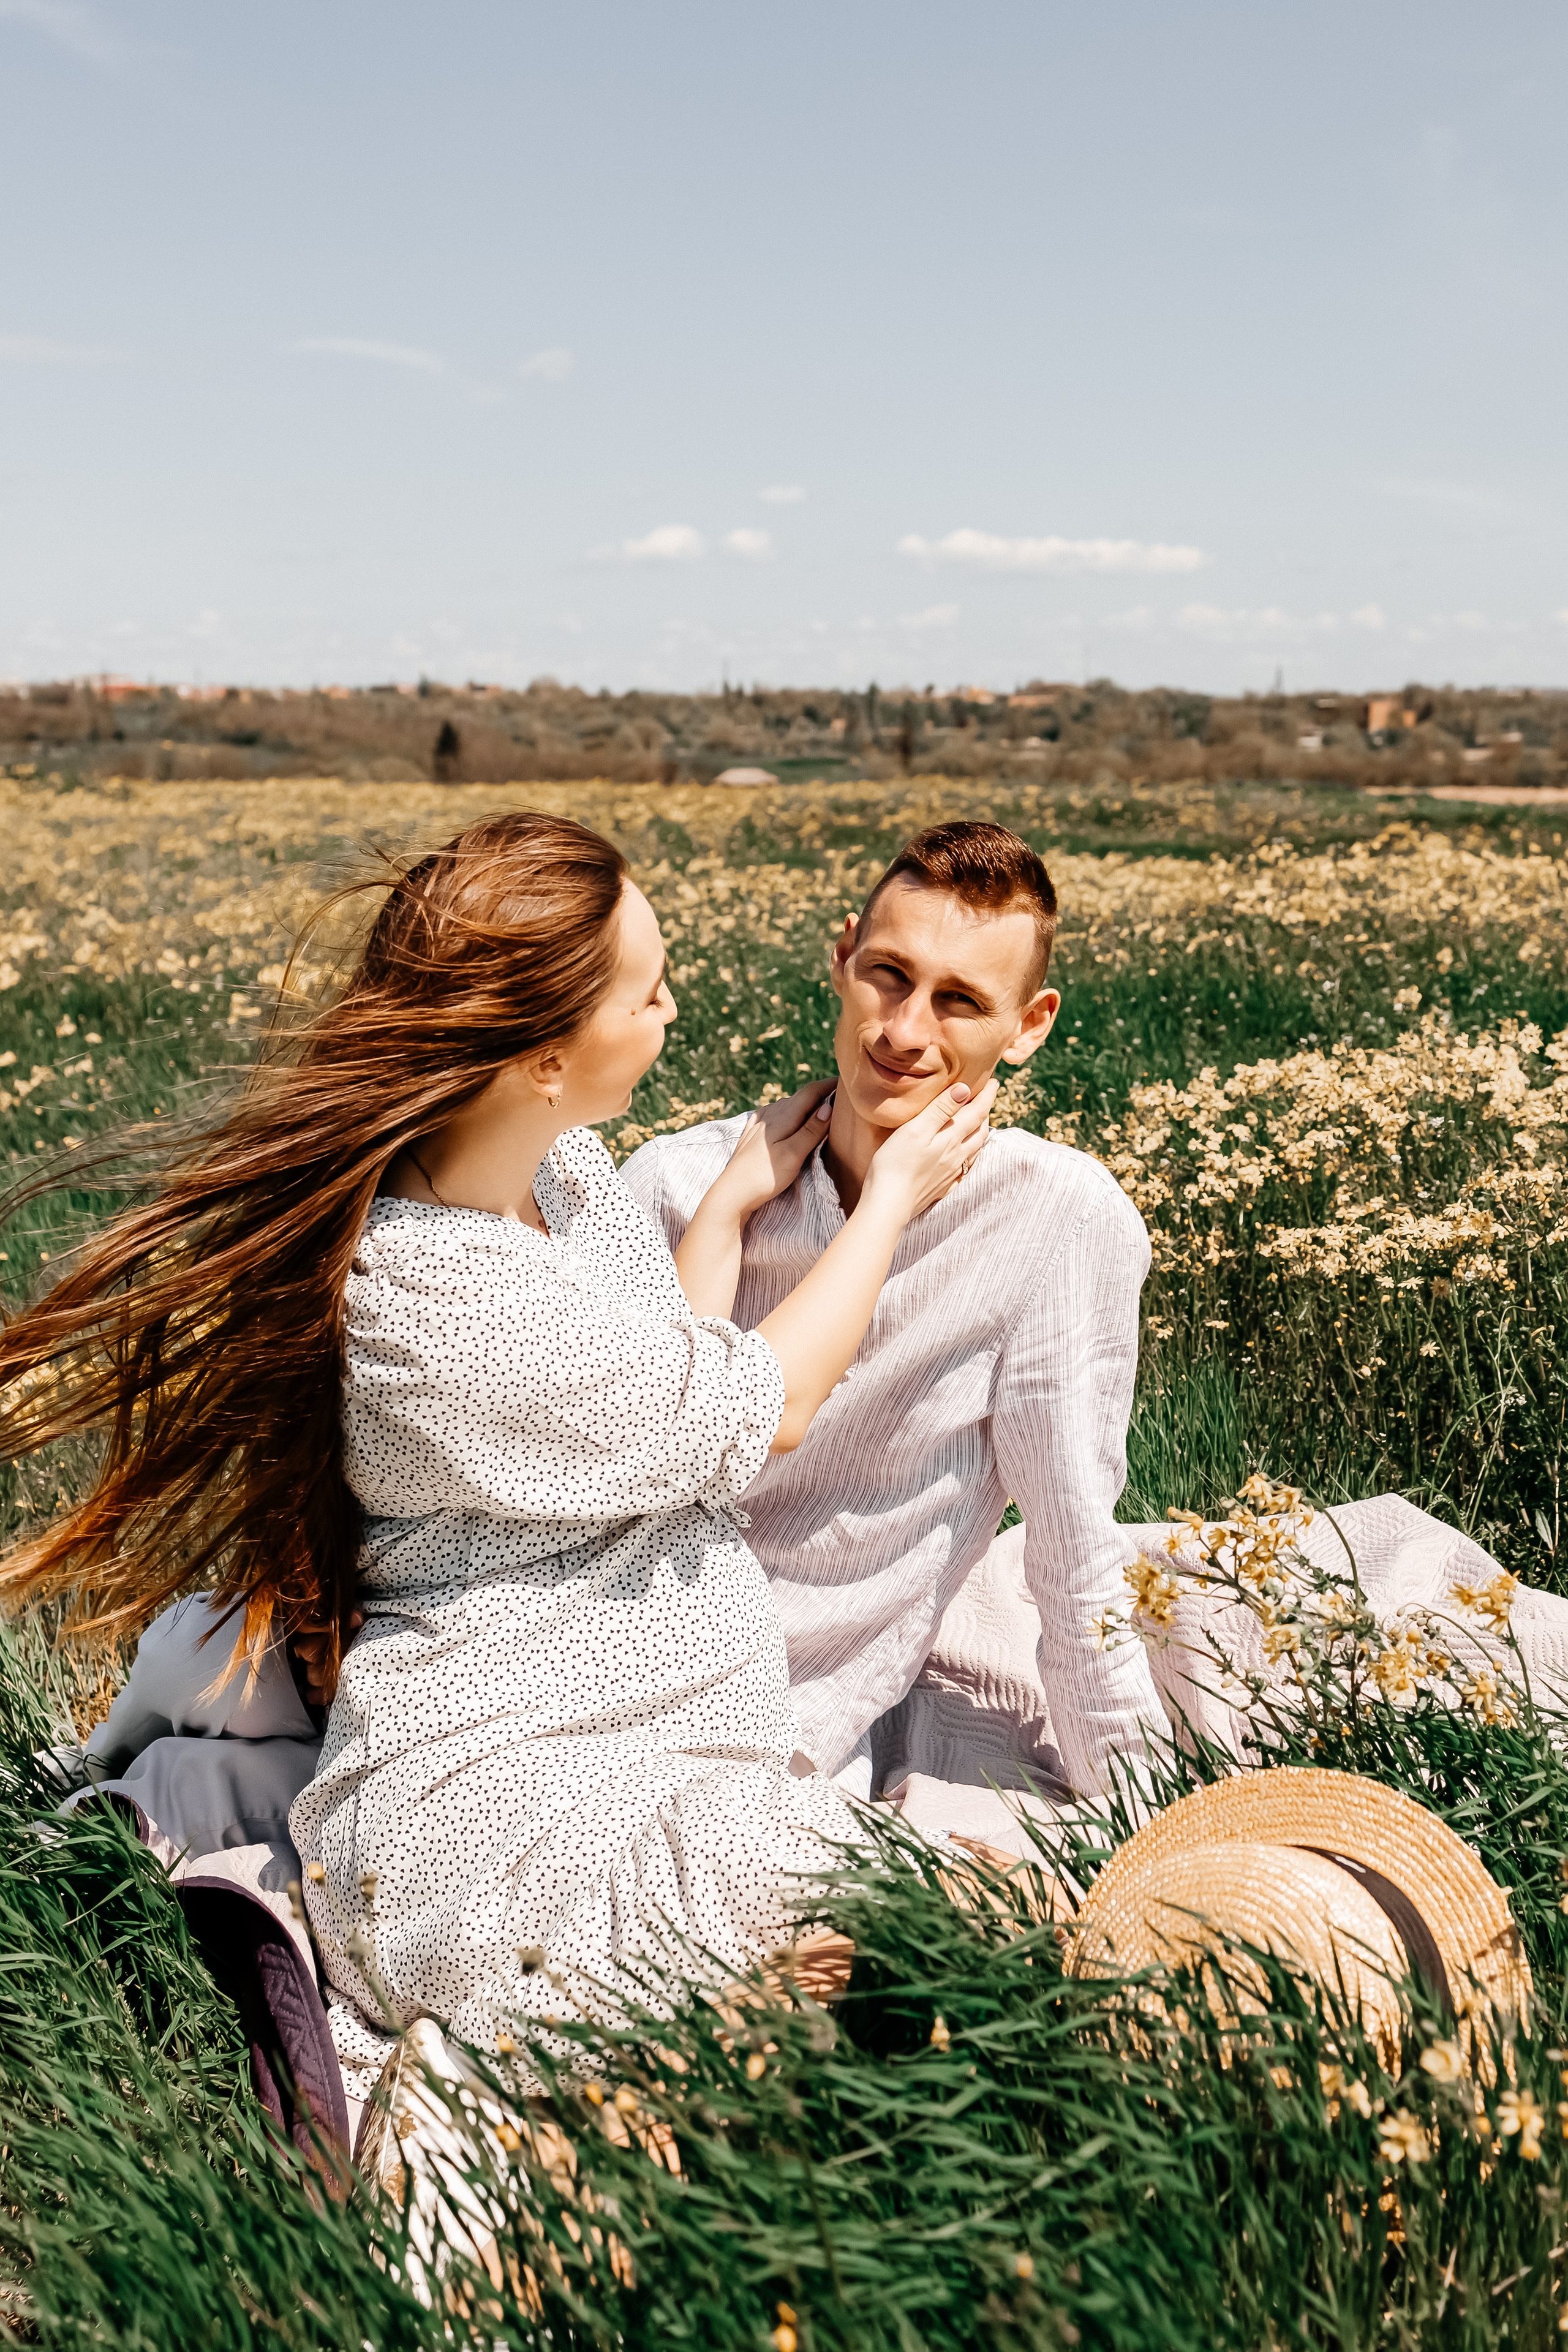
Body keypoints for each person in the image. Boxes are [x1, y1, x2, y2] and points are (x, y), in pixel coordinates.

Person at [0, 810, 993, 2107]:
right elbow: (768, 1403)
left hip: (645, 1758)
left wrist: (727, 1206)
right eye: (648, 991)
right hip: (493, 1811)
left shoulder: (561, 1169)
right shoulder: (429, 1300)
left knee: (891, 1920)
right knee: (869, 1917)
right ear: (543, 1056)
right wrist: (896, 1197)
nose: (673, 1009)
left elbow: (645, 1382)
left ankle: (707, 2071)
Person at [620, 820, 1169, 1809]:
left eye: (960, 1001)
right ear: (842, 958)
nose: (906, 1032)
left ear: (1029, 1026)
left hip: (793, 1709)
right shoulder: (679, 1184)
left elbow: (1076, 1553)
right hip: (587, 1649)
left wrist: (1143, 1818)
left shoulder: (1055, 1220)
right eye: (889, 975)